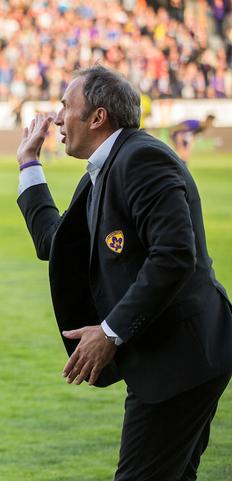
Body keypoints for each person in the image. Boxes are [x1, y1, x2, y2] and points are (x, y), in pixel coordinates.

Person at [16, 65, 232, 480]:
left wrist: (110, 331)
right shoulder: (104, 169)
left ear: (97, 117)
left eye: (66, 106)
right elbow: (55, 243)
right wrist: (29, 163)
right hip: (170, 355)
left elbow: (173, 256)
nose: (57, 118)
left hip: (183, 357)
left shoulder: (141, 159)